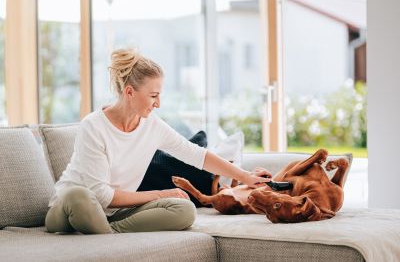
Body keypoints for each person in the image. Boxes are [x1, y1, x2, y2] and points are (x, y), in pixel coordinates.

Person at [45, 48, 271, 234]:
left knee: (184, 210)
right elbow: (102, 195)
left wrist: (245, 176)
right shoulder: (93, 126)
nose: (158, 104)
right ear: (130, 92)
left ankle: (108, 232)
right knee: (79, 195)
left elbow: (195, 154)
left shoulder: (152, 125)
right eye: (153, 96)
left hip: (115, 214)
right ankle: (106, 235)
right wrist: (162, 194)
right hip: (70, 210)